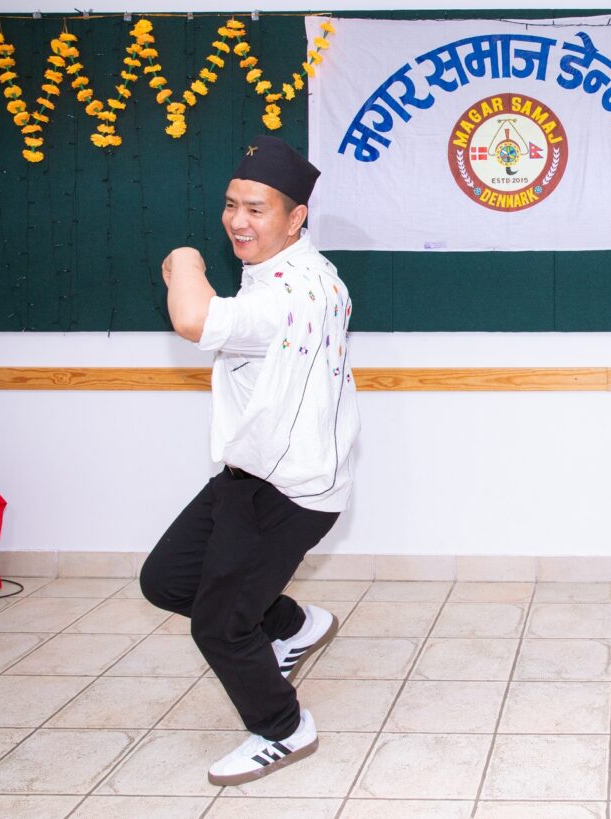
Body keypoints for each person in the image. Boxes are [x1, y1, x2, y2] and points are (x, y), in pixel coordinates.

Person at [140, 136, 361, 784]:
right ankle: (293, 624)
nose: (238, 221)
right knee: (167, 581)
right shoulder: (283, 268)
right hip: (249, 472)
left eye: (257, 209)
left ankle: (284, 729)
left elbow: (192, 317)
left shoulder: (293, 292)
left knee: (220, 626)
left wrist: (184, 257)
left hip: (287, 488)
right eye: (232, 204)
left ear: (296, 218)